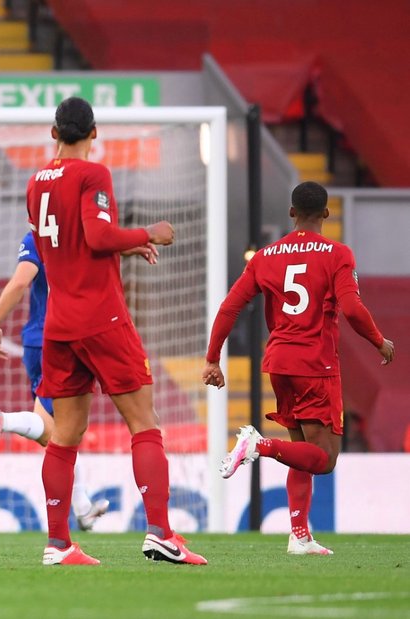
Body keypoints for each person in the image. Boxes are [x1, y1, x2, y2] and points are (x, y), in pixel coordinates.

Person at [27, 97, 205, 566]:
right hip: (100, 316)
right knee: (144, 422)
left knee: (65, 435)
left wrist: (120, 251)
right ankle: (161, 533)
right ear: (94, 132)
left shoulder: (35, 182)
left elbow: (64, 247)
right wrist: (147, 234)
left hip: (58, 321)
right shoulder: (93, 175)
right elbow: (99, 237)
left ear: (53, 133)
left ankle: (58, 544)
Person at [204, 181, 394, 555]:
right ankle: (258, 444)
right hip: (315, 363)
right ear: (326, 213)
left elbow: (229, 306)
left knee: (303, 451)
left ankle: (299, 535)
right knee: (324, 459)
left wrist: (212, 357)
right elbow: (353, 309)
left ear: (292, 213)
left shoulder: (265, 256)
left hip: (279, 363)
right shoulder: (337, 254)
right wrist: (378, 341)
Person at [0, 232, 110, 531]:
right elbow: (20, 281)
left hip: (38, 342)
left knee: (54, 434)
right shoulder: (66, 237)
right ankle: (3, 420)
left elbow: (21, 281)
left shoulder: (37, 237)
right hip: (59, 343)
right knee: (64, 430)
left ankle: (83, 509)